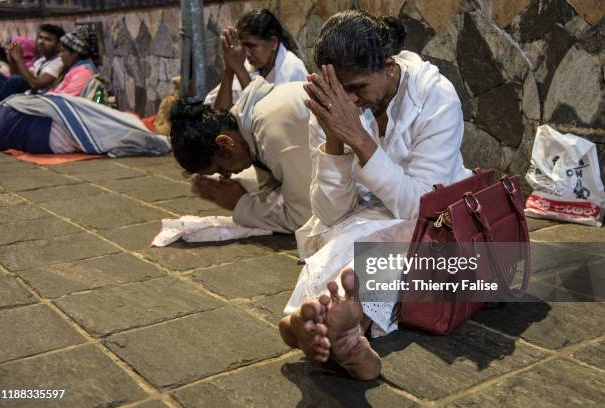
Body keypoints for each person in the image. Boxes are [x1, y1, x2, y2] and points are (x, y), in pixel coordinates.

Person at [278, 10, 471, 380]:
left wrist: (359, 139)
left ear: (388, 66)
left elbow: (419, 208)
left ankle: (319, 319)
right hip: (362, 219)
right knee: (343, 234)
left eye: (358, 88)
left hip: (434, 221)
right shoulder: (333, 105)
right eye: (340, 90)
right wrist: (333, 138)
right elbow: (331, 213)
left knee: (383, 239)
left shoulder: (436, 96)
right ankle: (341, 331)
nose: (349, 101)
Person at [170, 76, 313, 233]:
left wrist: (240, 204)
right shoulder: (248, 120)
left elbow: (305, 219)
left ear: (225, 142)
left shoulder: (272, 132)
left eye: (220, 168)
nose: (226, 175)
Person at [0, 93, 170, 156]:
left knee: (108, 122)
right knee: (108, 122)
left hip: (26, 115)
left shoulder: (81, 70)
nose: (61, 55)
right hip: (25, 115)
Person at [204, 8, 308, 111]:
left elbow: (268, 118)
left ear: (273, 43)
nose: (247, 53)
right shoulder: (248, 65)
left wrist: (240, 70)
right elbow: (218, 116)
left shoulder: (293, 69)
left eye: (251, 46)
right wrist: (229, 70)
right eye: (243, 46)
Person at [0, 25, 65, 105]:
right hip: (27, 92)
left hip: (39, 99)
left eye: (48, 40)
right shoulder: (40, 61)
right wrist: (11, 57)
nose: (41, 42)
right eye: (40, 38)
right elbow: (18, 77)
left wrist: (19, 57)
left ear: (59, 45)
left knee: (15, 80)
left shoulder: (59, 62)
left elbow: (35, 84)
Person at [45, 26, 97, 97]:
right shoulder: (74, 69)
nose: (60, 55)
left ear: (75, 53)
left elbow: (64, 98)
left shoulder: (83, 72)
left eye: (63, 51)